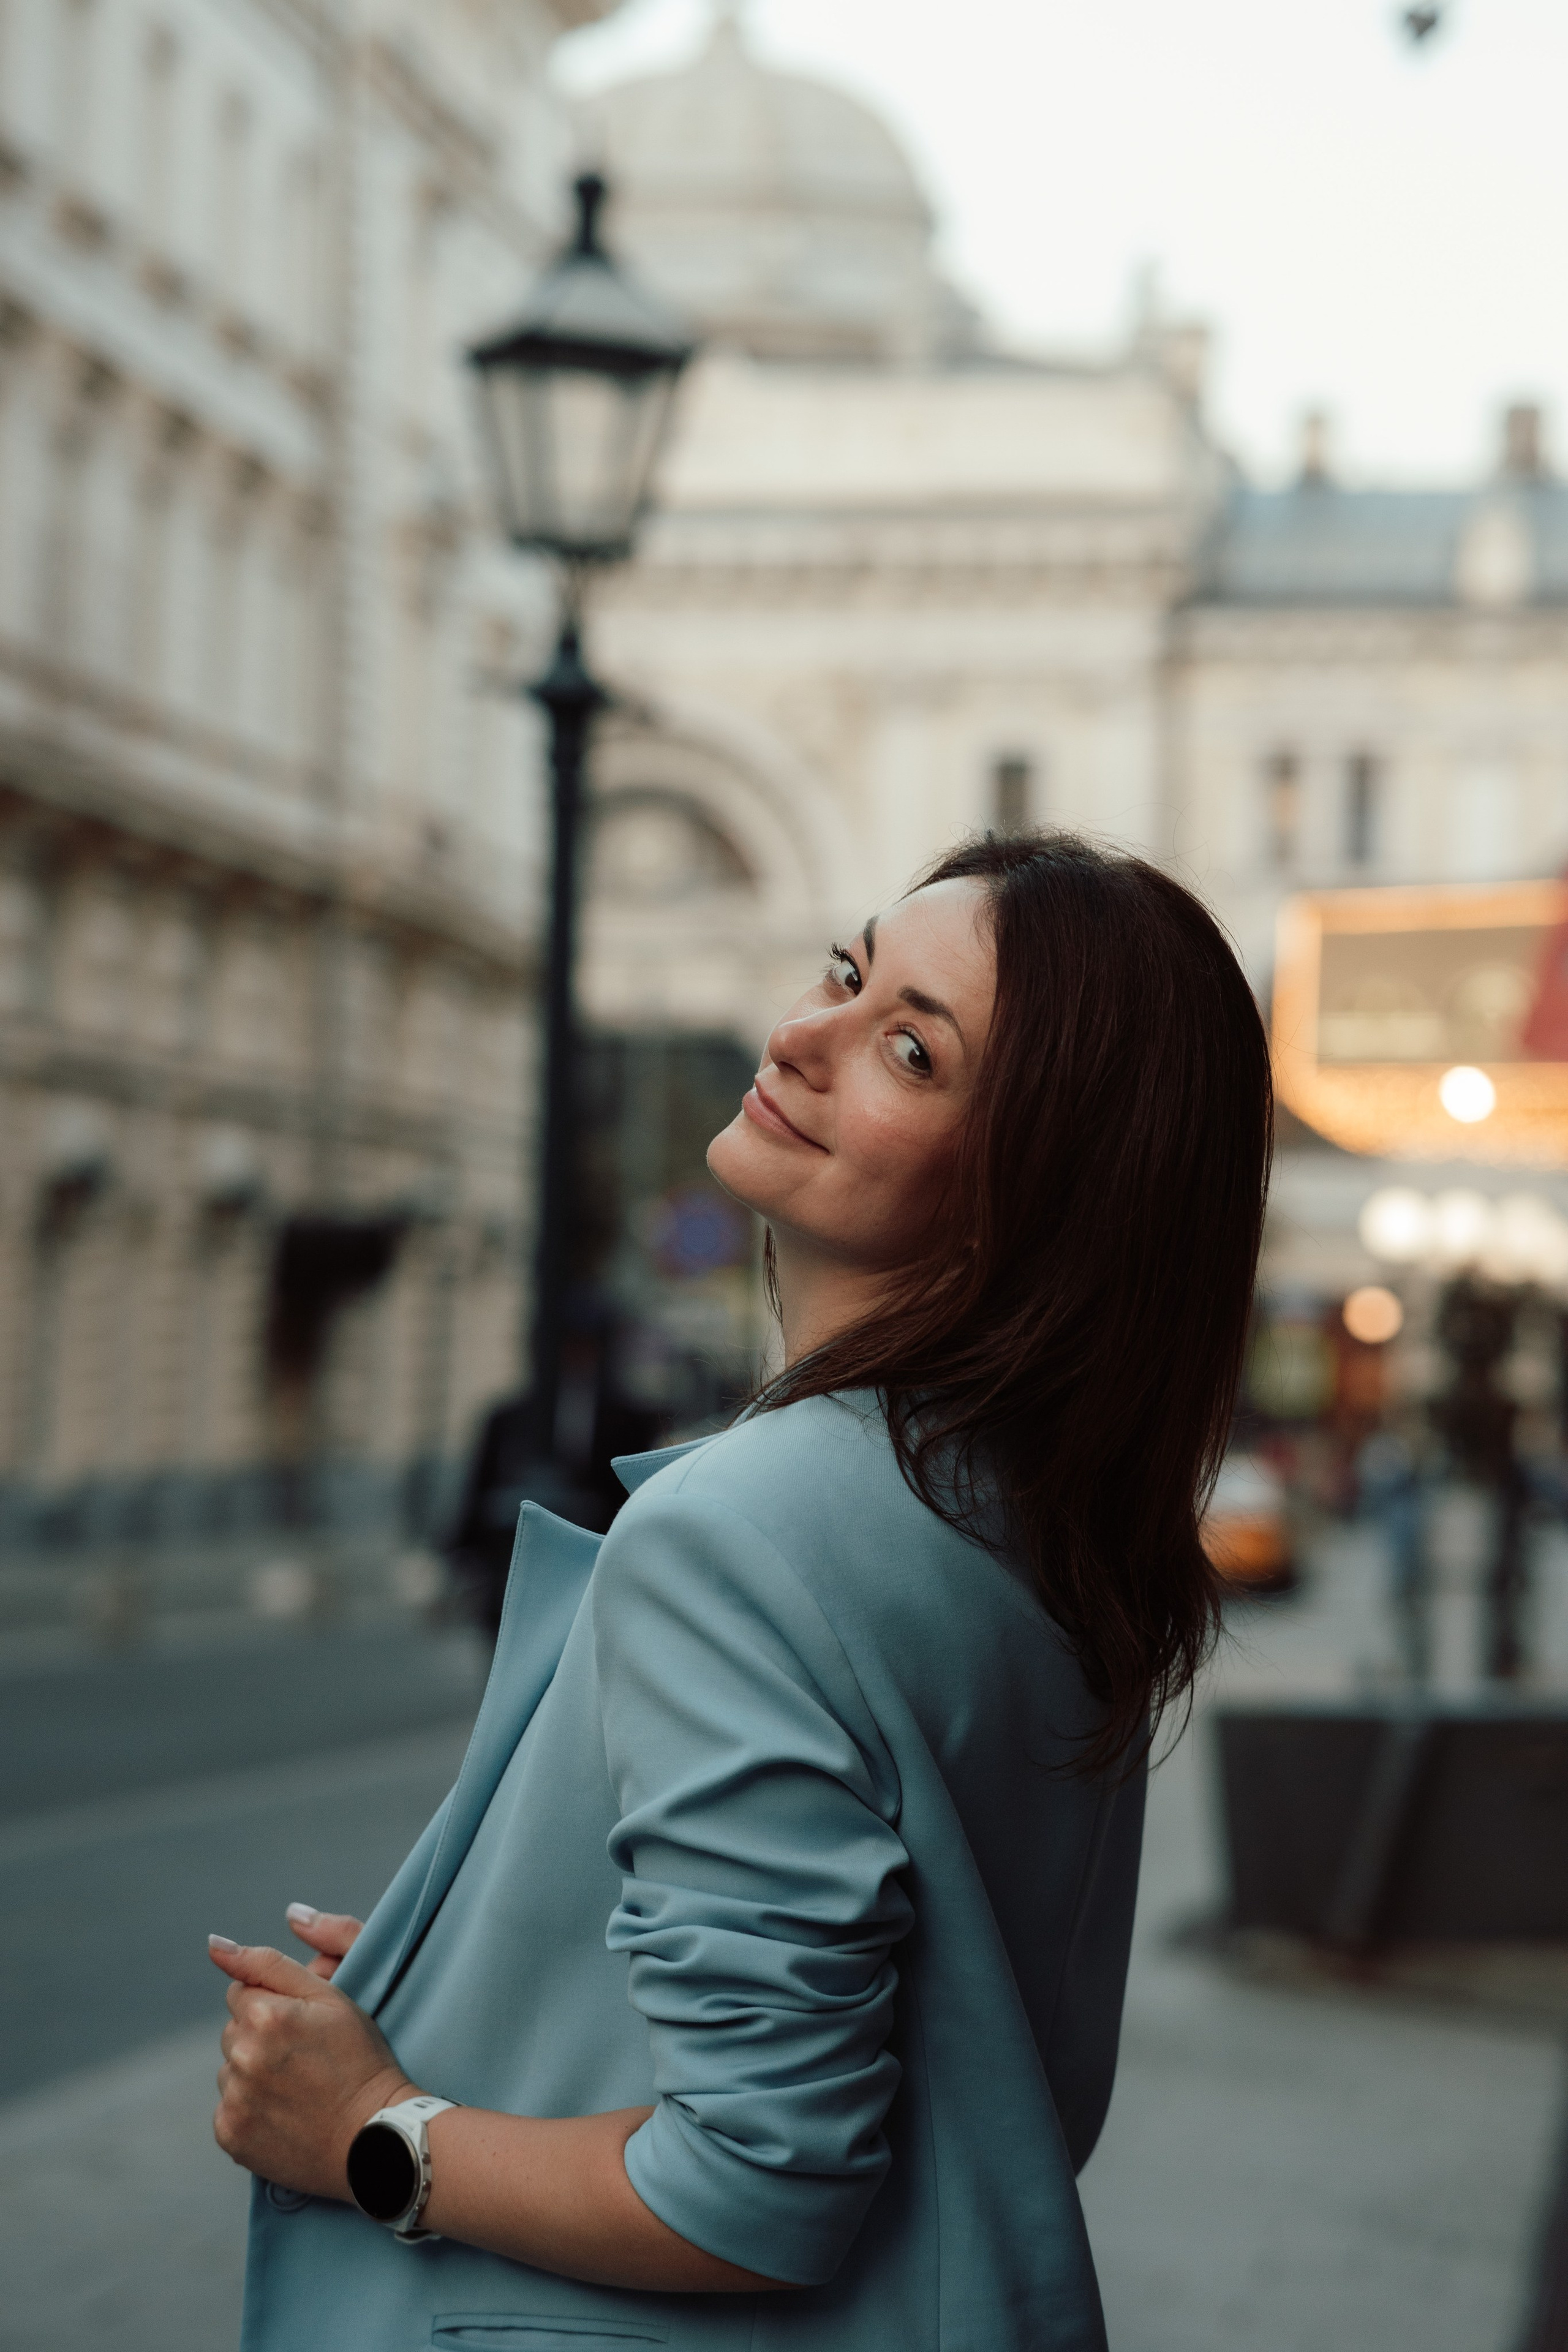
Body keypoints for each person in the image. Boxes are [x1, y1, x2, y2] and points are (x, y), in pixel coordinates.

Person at [209, 832, 1273, 2352]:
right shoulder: (1043, 1523)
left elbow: (755, 2187)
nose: (799, 1037)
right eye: (846, 974)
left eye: (910, 1050)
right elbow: (954, 2038)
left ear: (1030, 1194)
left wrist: (370, 2130)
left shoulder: (742, 1531)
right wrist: (504, 1964)